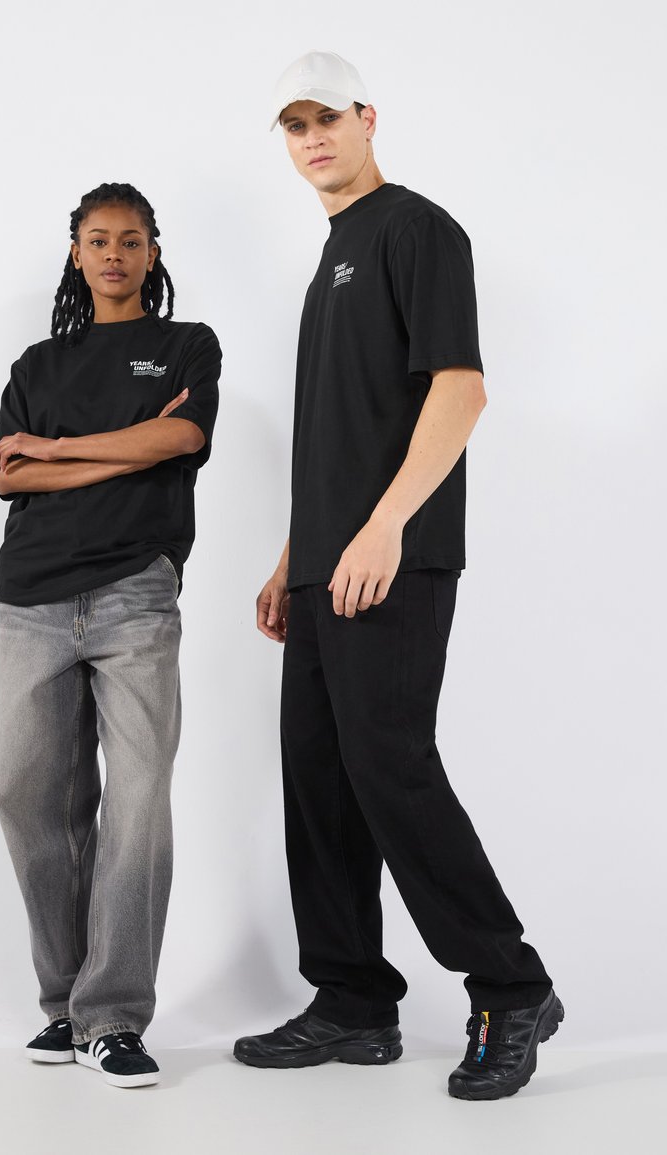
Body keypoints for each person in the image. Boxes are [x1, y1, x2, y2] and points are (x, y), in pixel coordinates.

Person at [233, 52, 562, 1101]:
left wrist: (382, 528)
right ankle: (351, 1001)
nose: (312, 139)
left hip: (392, 558)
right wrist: (295, 556)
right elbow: (337, 432)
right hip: (327, 566)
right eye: (294, 126)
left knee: (390, 769)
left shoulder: (416, 230)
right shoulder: (331, 256)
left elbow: (459, 393)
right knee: (318, 777)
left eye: (325, 118)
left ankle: (511, 987)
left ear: (367, 118)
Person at [0, 181, 220, 1088]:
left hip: (135, 594)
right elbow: (7, 478)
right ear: (76, 253)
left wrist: (55, 448)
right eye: (98, 239)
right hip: (32, 599)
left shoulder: (186, 345)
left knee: (137, 801)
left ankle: (114, 1015)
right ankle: (66, 1003)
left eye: (130, 239)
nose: (114, 253)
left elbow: (179, 439)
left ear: (152, 253)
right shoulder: (38, 364)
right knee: (27, 796)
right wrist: (103, 447)